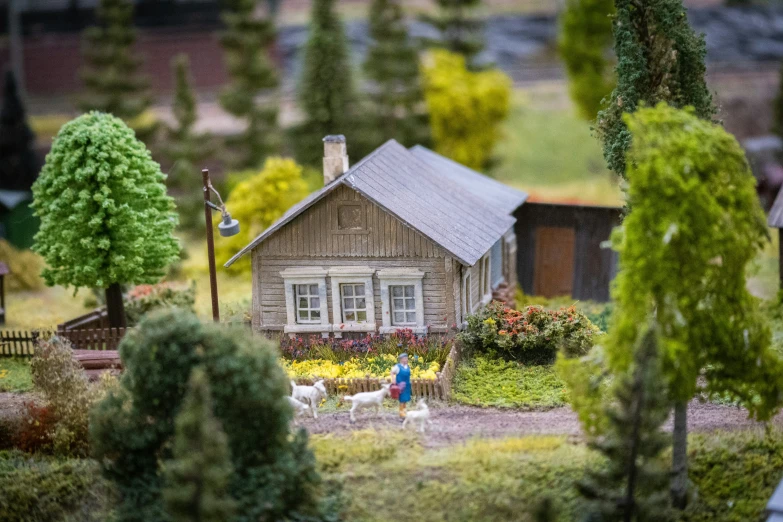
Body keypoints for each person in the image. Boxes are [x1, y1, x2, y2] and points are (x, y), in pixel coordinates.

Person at [391, 353, 411, 418]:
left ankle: (404, 411)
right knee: (402, 399)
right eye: (405, 358)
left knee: (405, 399)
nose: (406, 360)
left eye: (406, 358)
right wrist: (393, 380)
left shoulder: (407, 366)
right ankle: (401, 412)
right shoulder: (398, 366)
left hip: (407, 385)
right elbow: (392, 372)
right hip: (401, 385)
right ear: (401, 359)